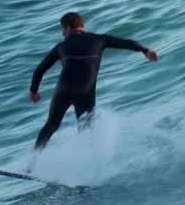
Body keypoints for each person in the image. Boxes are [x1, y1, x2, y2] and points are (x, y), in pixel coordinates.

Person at [29, 12, 159, 151]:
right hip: (85, 91)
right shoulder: (100, 39)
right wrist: (145, 50)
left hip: (64, 89)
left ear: (68, 28)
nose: (62, 33)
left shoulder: (60, 47)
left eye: (63, 29)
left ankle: (33, 161)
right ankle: (87, 160)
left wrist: (34, 91)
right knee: (86, 130)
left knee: (51, 125)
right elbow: (127, 43)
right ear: (82, 26)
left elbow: (39, 70)